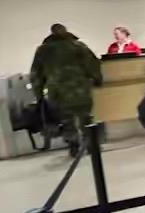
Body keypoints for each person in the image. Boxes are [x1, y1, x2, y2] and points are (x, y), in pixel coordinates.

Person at [30, 24, 103, 155]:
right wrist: (98, 80)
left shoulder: (43, 50)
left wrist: (38, 94)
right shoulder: (78, 46)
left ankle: (73, 145)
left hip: (57, 92)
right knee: (86, 118)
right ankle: (91, 146)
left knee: (66, 120)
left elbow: (36, 74)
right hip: (80, 89)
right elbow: (93, 64)